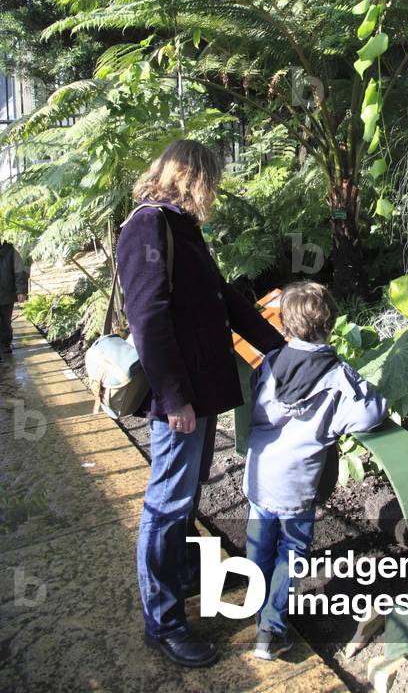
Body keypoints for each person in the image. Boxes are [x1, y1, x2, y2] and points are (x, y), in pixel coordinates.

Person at [116, 139, 284, 669]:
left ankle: (187, 573)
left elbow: (223, 298)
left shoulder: (181, 227)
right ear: (192, 177)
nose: (213, 193)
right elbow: (148, 319)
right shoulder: (147, 226)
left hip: (202, 392)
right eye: (211, 182)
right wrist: (174, 399)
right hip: (181, 398)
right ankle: (163, 623)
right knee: (166, 505)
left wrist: (281, 347)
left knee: (186, 497)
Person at [244, 281, 387, 661]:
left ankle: (257, 606)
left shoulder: (271, 362)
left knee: (259, 544)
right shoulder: (338, 376)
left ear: (284, 324)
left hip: (260, 475)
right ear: (331, 323)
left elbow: (257, 408)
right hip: (297, 485)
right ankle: (270, 629)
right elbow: (371, 413)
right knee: (291, 551)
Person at [0, 238, 29, 354]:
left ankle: (5, 346)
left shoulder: (11, 252)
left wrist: (21, 291)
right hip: (7, 294)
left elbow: (19, 272)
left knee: (5, 323)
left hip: (6, 295)